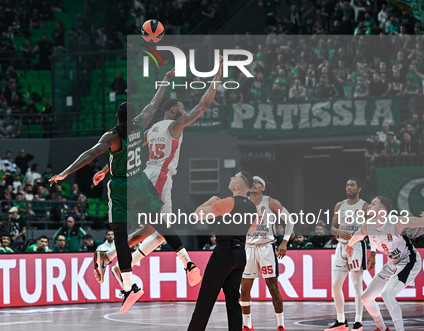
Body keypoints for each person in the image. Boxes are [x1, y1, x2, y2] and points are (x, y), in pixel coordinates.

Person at [50, 71, 201, 313]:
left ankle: (129, 285)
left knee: (120, 234)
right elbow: (153, 103)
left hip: (121, 186)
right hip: (139, 181)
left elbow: (89, 155)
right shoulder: (141, 124)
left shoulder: (113, 136)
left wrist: (65, 173)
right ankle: (187, 262)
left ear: (117, 117)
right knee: (161, 225)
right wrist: (165, 80)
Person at [96, 57, 223, 285]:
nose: (184, 111)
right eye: (181, 108)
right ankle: (184, 263)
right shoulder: (175, 125)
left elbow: (126, 151)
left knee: (151, 230)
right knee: (163, 228)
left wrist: (106, 168)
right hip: (161, 177)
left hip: (148, 174)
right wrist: (217, 76)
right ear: (173, 109)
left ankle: (112, 258)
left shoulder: (153, 128)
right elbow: (203, 105)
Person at [187, 172, 257, 331]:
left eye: (234, 177)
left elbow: (196, 216)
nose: (231, 178)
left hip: (224, 253)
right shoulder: (252, 207)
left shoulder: (228, 202)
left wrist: (209, 202)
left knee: (206, 298)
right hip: (240, 255)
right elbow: (252, 231)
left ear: (238, 186)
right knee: (233, 299)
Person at [346, 196, 424, 331]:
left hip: (409, 261)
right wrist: (349, 246)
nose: (369, 206)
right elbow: (357, 235)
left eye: (373, 203)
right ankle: (382, 328)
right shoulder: (368, 227)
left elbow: (422, 223)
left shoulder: (396, 222)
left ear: (383, 210)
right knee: (365, 298)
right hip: (392, 264)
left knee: (387, 294)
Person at [241, 176, 294, 331]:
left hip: (266, 247)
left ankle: (281, 325)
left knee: (272, 286)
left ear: (263, 188)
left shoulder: (270, 202)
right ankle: (247, 325)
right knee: (244, 289)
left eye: (257, 183)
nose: (254, 185)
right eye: (252, 183)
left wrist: (284, 242)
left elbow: (290, 220)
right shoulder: (243, 202)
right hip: (248, 247)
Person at [325, 178, 375, 331]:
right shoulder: (340, 205)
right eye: (347, 185)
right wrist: (338, 231)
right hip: (340, 246)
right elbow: (332, 228)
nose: (349, 187)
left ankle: (358, 322)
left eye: (352, 185)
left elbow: (372, 230)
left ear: (359, 189)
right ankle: (341, 321)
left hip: (357, 246)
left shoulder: (365, 206)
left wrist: (372, 252)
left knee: (356, 284)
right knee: (335, 285)